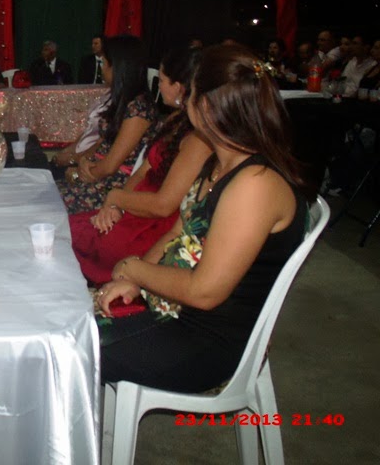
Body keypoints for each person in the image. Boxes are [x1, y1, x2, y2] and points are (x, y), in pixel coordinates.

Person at [94, 43, 311, 394]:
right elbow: (177, 232)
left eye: (191, 93)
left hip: (209, 342)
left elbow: (205, 292)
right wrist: (138, 279)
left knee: (72, 350)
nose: (185, 100)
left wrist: (132, 269)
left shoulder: (255, 185)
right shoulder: (220, 163)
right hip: (179, 317)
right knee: (73, 326)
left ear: (206, 105)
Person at [69, 47, 212, 286]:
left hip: (152, 225)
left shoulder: (197, 140)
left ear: (179, 87)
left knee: (76, 236)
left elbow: (164, 205)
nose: (158, 86)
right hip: (134, 207)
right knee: (70, 227)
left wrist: (116, 198)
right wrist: (115, 206)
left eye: (162, 81)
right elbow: (143, 170)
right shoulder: (175, 121)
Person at [57, 35, 158, 214]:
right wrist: (82, 161)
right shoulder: (122, 100)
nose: (102, 69)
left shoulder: (139, 108)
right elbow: (103, 142)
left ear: (118, 67)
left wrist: (80, 174)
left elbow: (111, 165)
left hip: (113, 184)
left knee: (51, 201)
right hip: (98, 173)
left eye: (104, 63)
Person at [50, 44, 113, 177]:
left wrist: (74, 159)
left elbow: (101, 144)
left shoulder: (125, 105)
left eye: (105, 64)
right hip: (82, 153)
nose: (102, 68)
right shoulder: (108, 94)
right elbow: (89, 130)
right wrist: (69, 150)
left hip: (90, 161)